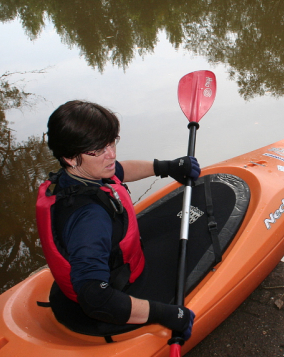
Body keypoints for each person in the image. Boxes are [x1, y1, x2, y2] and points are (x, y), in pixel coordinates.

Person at [36, 100, 198, 340]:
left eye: (111, 142)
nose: (111, 154)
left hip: (95, 277)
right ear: (70, 157)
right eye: (99, 150)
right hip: (118, 292)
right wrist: (165, 314)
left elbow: (119, 171)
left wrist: (167, 167)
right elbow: (95, 298)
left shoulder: (74, 177)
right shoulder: (90, 220)